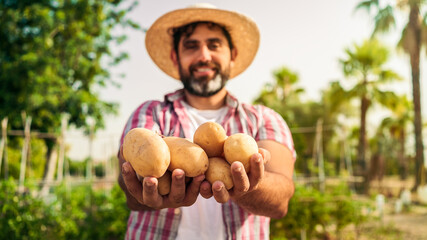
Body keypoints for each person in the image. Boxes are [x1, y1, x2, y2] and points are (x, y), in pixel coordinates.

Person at [117, 3, 296, 240]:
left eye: (214, 45)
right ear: (175, 57)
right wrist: (142, 188)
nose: (204, 56)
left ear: (232, 55)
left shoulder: (264, 118)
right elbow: (130, 185)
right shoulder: (150, 113)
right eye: (191, 46)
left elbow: (281, 203)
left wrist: (250, 185)